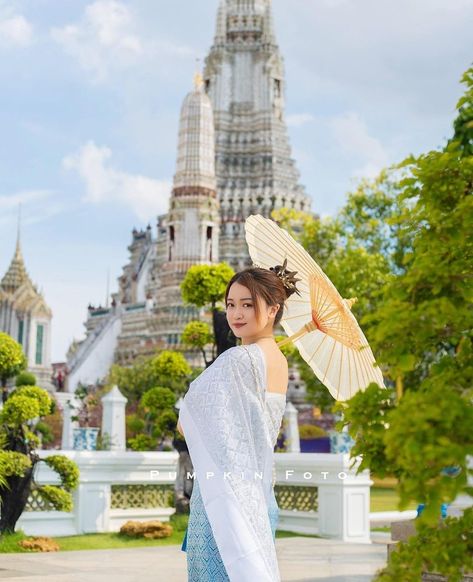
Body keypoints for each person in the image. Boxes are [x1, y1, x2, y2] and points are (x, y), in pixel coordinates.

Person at [177, 264, 300, 581]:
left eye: (248, 304)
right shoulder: (280, 361)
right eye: (231, 304)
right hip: (260, 494)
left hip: (225, 497)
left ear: (273, 308)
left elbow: (186, 421)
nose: (236, 314)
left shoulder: (237, 359)